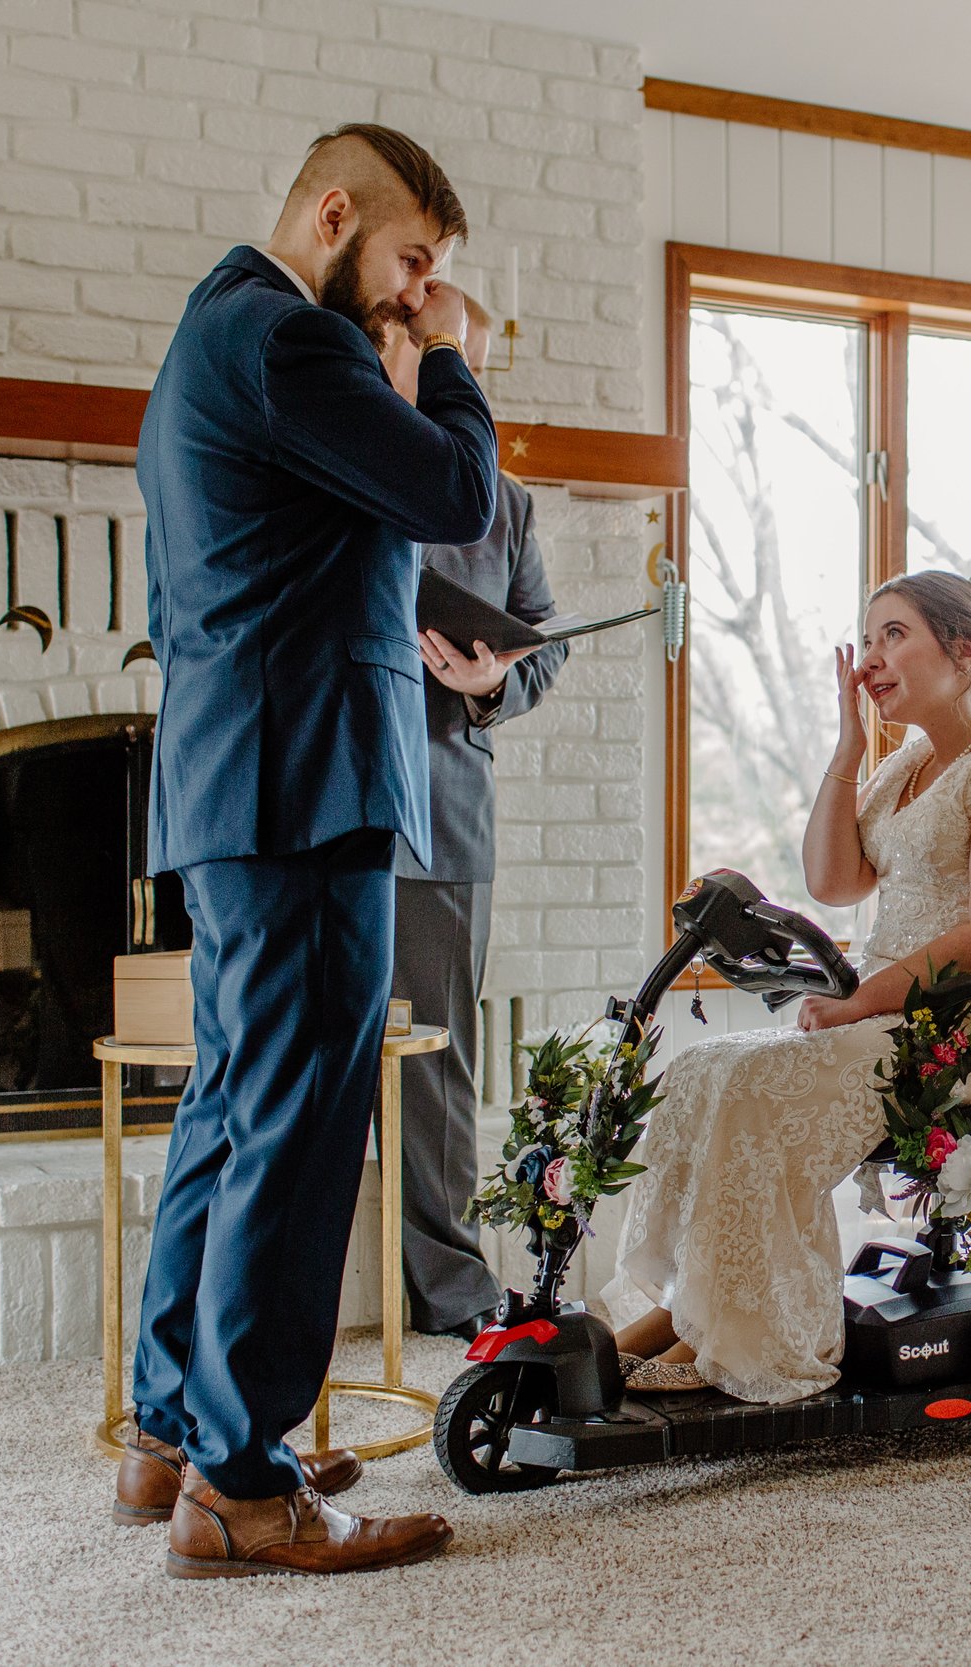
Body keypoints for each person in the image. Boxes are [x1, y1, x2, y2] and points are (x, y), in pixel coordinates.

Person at [123, 123, 492, 1578]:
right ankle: (242, 1481)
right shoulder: (290, 336)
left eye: (431, 284)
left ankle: (175, 1426)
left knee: (232, 1101)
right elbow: (458, 499)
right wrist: (451, 359)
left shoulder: (211, 332)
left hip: (238, 779)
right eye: (410, 262)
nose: (414, 294)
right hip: (305, 779)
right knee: (300, 1117)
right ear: (334, 214)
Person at [607, 572, 971, 1400]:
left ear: (964, 651)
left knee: (755, 1089)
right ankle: (695, 1314)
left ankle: (759, 1338)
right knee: (703, 1069)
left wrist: (863, 999)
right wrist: (850, 748)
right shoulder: (912, 761)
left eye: (895, 634)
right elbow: (833, 878)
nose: (871, 659)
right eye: (870, 637)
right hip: (892, 1011)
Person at [373, 303, 566, 1342]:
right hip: (331, 808)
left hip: (446, 815)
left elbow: (549, 649)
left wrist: (495, 681)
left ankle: (447, 1289)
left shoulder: (509, 506)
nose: (464, 391)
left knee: (436, 1069)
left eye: (474, 371)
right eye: (444, 362)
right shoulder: (336, 465)